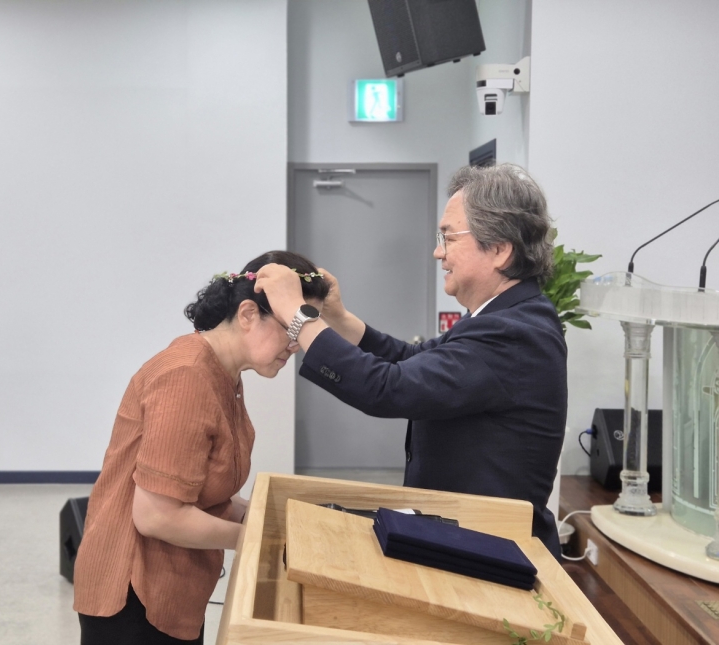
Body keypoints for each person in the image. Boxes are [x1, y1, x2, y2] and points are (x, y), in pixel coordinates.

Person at [255, 163, 567, 558]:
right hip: (467, 536)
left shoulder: (514, 333)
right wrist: (339, 318)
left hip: (492, 550)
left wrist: (297, 314)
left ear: (500, 250)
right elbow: (412, 360)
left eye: (448, 237)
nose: (438, 252)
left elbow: (388, 388)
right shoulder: (501, 316)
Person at [73, 250, 329, 644]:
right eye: (292, 326)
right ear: (248, 314)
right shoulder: (187, 376)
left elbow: (203, 490)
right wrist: (262, 541)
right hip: (132, 595)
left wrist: (277, 519)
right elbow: (157, 517)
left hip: (172, 586)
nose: (297, 345)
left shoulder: (224, 374)